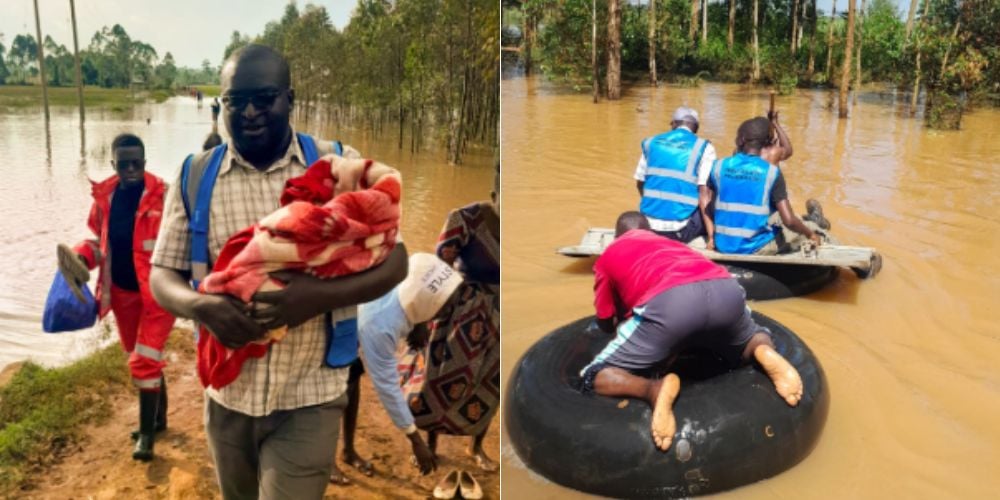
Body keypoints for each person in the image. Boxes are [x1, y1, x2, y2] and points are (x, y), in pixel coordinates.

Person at [149, 44, 407, 499]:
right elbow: (162, 275)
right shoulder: (194, 177)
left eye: (264, 98)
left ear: (290, 98)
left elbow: (397, 261)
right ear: (222, 104)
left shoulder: (336, 166)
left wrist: (312, 298)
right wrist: (201, 306)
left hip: (310, 395)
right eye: (235, 101)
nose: (249, 112)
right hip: (228, 396)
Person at [579, 212, 804, 451]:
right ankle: (760, 349)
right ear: (650, 231)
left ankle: (653, 390)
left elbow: (604, 321)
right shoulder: (672, 244)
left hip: (670, 304)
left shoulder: (609, 255)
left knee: (593, 376)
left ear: (617, 236)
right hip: (725, 288)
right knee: (749, 335)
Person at [59, 133, 175, 461]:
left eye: (137, 162)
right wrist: (82, 257)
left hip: (157, 294)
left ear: (145, 162)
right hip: (122, 293)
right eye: (124, 164)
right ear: (114, 164)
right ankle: (160, 419)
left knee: (145, 360)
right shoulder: (105, 197)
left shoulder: (164, 197)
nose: (131, 169)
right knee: (140, 357)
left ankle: (147, 438)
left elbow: (179, 242)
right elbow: (101, 243)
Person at [703, 117, 829, 255]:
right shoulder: (771, 172)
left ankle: (814, 220)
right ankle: (820, 228)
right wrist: (811, 235)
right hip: (755, 248)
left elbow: (710, 206)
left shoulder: (718, 166)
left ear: (742, 140)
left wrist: (711, 237)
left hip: (723, 244)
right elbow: (789, 221)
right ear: (768, 143)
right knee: (806, 229)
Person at [634, 106, 718, 243]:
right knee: (714, 194)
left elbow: (639, 183)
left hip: (648, 225)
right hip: (680, 230)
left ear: (673, 124)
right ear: (696, 128)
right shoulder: (704, 147)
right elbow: (704, 194)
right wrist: (711, 237)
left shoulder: (650, 143)